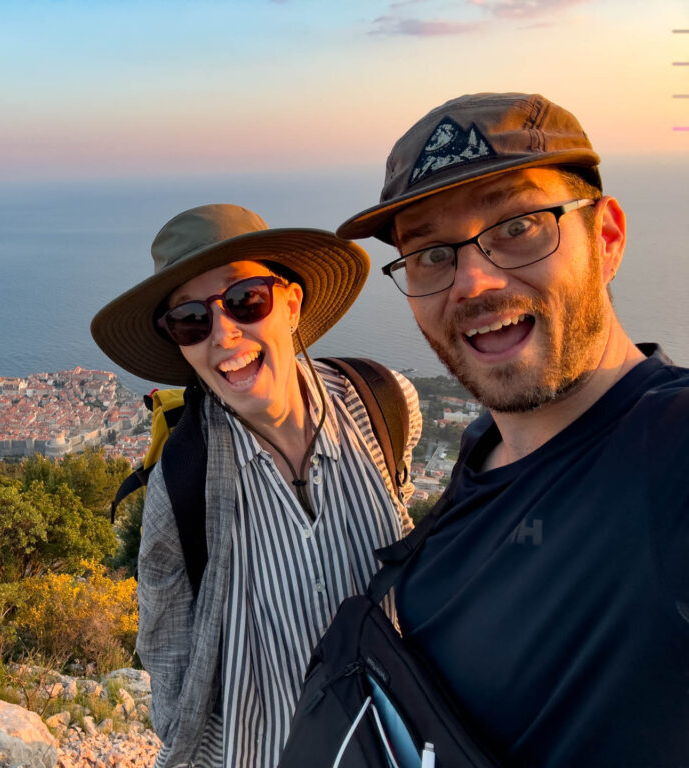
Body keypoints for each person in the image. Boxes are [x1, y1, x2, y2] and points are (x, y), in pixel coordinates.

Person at [336, 92, 689, 766]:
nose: (472, 280)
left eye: (519, 224)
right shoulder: (484, 449)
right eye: (431, 254)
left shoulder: (671, 450)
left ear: (607, 239)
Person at [90, 203, 421, 768]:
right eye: (192, 320)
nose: (223, 334)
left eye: (246, 300)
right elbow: (165, 639)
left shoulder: (385, 404)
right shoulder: (182, 476)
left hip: (395, 739)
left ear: (291, 303)